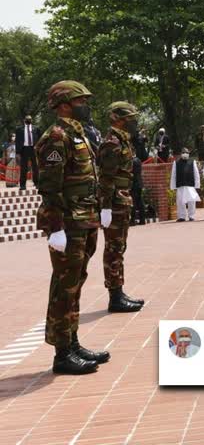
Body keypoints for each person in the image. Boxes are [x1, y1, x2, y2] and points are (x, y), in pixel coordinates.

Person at [36, 80, 110, 375]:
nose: (86, 105)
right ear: (65, 104)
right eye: (81, 100)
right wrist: (55, 228)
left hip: (84, 220)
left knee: (76, 283)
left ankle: (73, 341)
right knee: (64, 286)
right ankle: (62, 354)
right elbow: (50, 187)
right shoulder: (56, 137)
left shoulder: (77, 133)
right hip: (67, 223)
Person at [97, 102, 145, 313]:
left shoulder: (124, 140)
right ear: (118, 119)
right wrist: (105, 207)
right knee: (114, 249)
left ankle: (119, 291)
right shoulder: (112, 143)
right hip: (114, 203)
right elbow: (106, 178)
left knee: (120, 248)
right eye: (130, 118)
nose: (134, 122)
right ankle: (114, 297)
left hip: (122, 200)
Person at [170, 147, 200, 221]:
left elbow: (196, 174)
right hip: (180, 184)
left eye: (186, 152)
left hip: (190, 185)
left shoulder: (192, 161)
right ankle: (181, 216)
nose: (185, 154)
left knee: (191, 201)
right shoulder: (176, 162)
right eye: (183, 152)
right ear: (181, 153)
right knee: (180, 201)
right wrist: (173, 186)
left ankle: (191, 216)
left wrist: (197, 185)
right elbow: (173, 175)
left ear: (189, 154)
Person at [15, 115, 41, 190]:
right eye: (27, 119)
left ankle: (37, 184)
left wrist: (40, 148)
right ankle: (22, 185)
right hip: (24, 149)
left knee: (35, 167)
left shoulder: (36, 128)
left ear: (32, 120)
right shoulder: (19, 129)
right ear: (24, 120)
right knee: (23, 168)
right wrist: (17, 152)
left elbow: (40, 139)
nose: (28, 120)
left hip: (34, 149)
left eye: (30, 119)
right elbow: (17, 141)